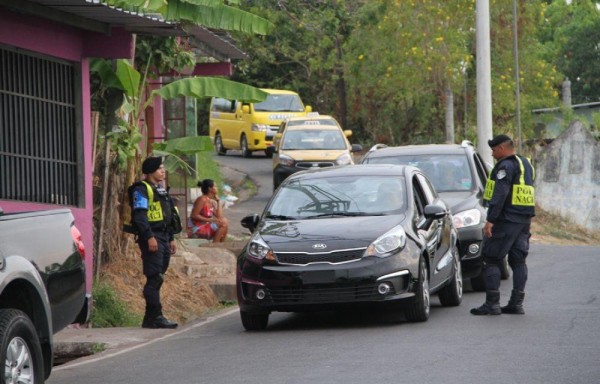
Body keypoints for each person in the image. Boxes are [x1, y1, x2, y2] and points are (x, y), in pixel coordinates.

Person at [471, 134, 535, 316]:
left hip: (506, 220)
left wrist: (491, 219)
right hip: (524, 220)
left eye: (493, 149)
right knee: (519, 261)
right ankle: (516, 304)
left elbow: (500, 194)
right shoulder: (526, 164)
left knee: (491, 258)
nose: (492, 153)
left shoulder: (505, 166)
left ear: (502, 148)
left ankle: (492, 304)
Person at [131, 156, 178, 328]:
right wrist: (149, 237)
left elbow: (168, 216)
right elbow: (140, 216)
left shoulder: (160, 190)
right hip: (152, 236)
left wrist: (171, 238)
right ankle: (155, 316)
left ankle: (150, 318)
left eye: (163, 168)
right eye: (160, 168)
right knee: (154, 277)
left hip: (164, 236)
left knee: (158, 276)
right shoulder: (141, 190)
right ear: (150, 171)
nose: (163, 171)